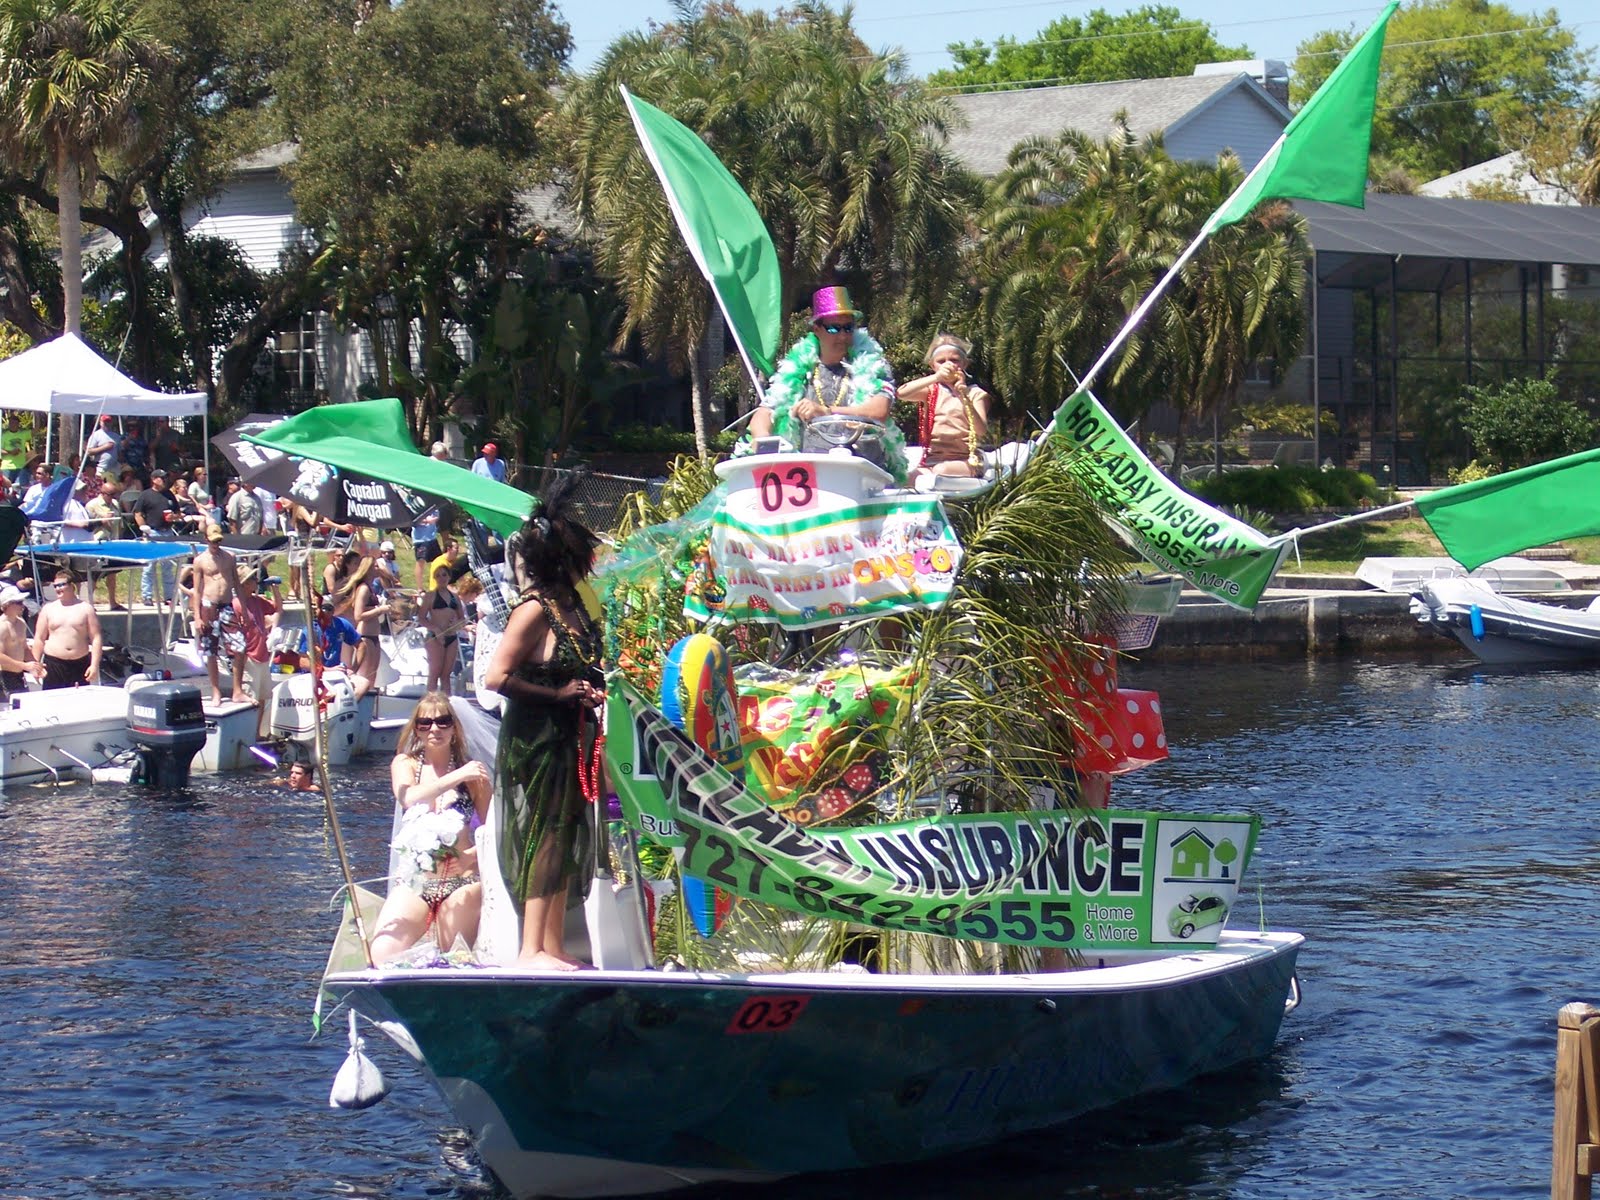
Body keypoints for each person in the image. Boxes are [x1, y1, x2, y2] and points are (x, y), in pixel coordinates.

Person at [485, 478, 604, 970]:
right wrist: (558, 693)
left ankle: (553, 945)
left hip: (571, 734)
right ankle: (529, 949)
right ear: (564, 560)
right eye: (584, 556)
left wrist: (592, 686)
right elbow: (497, 677)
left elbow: (579, 667)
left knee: (565, 833)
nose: (590, 565)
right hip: (537, 738)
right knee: (543, 833)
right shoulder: (534, 611)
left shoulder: (573, 607)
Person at [368, 692, 492, 965]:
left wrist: (472, 856)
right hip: (418, 881)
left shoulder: (475, 775)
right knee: (382, 954)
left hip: (462, 882)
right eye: (425, 723)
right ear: (416, 729)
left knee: (454, 954)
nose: (434, 729)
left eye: (442, 722)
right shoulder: (406, 764)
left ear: (454, 727)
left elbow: (495, 829)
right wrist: (458, 775)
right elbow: (409, 797)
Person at [743, 284, 907, 483]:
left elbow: (879, 411)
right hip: (812, 478)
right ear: (816, 329)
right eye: (833, 328)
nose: (843, 336)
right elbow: (763, 414)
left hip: (866, 475)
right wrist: (763, 442)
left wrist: (826, 411)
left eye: (848, 328)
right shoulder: (798, 370)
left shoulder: (874, 366)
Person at [898, 333, 992, 481]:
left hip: (967, 460)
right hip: (932, 460)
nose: (948, 365)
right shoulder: (932, 390)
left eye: (954, 360)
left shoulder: (975, 394)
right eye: (941, 361)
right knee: (904, 479)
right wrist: (936, 377)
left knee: (942, 470)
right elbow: (902, 393)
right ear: (933, 366)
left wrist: (962, 393)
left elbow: (980, 430)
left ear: (965, 364)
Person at [192, 524, 247, 706]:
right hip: (209, 605)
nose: (216, 544)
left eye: (219, 541)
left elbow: (237, 584)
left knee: (239, 646)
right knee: (211, 651)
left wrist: (244, 609)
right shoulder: (200, 561)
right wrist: (198, 616)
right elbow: (197, 591)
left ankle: (237, 690)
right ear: (206, 540)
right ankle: (215, 691)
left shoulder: (230, 557)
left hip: (227, 605)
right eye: (213, 541)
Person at [32, 566, 101, 688]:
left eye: (61, 585)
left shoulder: (86, 608)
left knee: (78, 701)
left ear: (72, 585)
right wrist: (36, 664)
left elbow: (96, 638)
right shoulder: (48, 609)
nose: (57, 589)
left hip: (79, 663)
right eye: (55, 586)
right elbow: (39, 638)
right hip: (53, 664)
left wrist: (94, 665)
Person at [233, 569, 281, 735]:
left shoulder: (256, 601)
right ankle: (246, 735)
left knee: (262, 699)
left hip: (262, 656)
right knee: (251, 699)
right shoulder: (237, 604)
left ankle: (256, 734)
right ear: (245, 583)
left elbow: (276, 608)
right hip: (249, 657)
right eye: (253, 578)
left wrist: (274, 588)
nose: (256, 580)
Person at [344, 556, 391, 698]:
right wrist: (379, 610)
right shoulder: (363, 589)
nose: (378, 569)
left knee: (373, 674)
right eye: (376, 566)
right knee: (364, 675)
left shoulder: (371, 587)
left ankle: (369, 709)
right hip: (365, 635)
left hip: (374, 635)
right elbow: (358, 615)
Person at [133, 469, 180, 607]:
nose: (164, 481)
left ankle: (169, 596)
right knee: (149, 566)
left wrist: (174, 517)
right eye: (161, 478)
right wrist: (144, 528)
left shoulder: (169, 494)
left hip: (167, 532)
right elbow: (138, 513)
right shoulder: (145, 495)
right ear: (154, 479)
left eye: (165, 478)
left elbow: (178, 513)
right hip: (152, 532)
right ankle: (147, 596)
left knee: (167, 567)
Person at [418, 560, 464, 693]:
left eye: (444, 575)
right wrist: (435, 629)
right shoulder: (430, 596)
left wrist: (457, 624)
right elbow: (421, 618)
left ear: (449, 577)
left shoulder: (455, 597)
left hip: (452, 637)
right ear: (434, 578)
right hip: (435, 637)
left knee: (446, 675)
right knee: (435, 673)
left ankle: (446, 705)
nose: (441, 578)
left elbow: (462, 618)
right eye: (437, 576)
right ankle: (430, 705)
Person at [0, 585, 41, 697]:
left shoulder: (21, 623)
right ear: (7, 605)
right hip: (4, 677)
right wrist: (25, 666)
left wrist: (36, 667)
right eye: (18, 603)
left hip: (19, 675)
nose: (22, 606)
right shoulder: (2, 626)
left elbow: (24, 648)